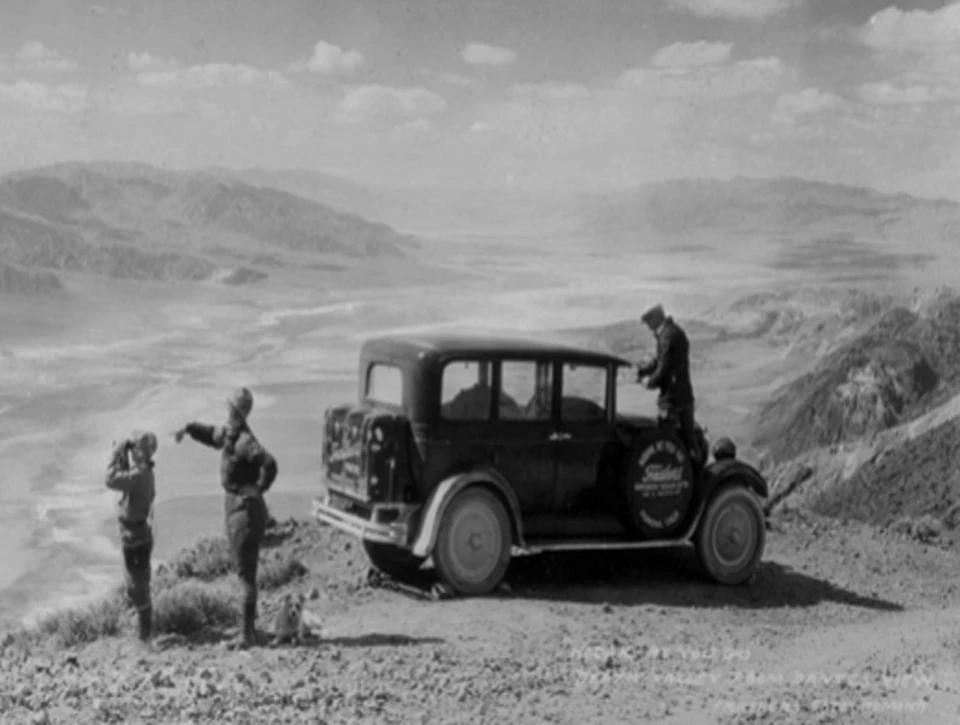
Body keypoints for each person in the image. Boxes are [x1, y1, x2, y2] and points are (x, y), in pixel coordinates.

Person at [172, 387, 277, 649]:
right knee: (242, 569)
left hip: (245, 509)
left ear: (237, 412)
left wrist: (259, 488)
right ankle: (249, 629)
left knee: (245, 573)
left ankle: (247, 635)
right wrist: (189, 429)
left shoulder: (244, 441)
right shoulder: (232, 436)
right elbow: (213, 435)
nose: (227, 412)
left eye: (230, 409)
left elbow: (269, 463)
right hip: (236, 506)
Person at [105, 430, 158, 647]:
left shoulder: (138, 476)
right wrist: (125, 456)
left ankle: (145, 638)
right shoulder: (143, 472)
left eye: (134, 447)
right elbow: (126, 479)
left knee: (138, 587)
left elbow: (110, 479)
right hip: (137, 534)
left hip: (134, 536)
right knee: (136, 584)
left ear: (141, 453)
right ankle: (144, 633)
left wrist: (116, 452)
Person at [635, 304, 700, 463]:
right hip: (684, 396)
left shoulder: (667, 336)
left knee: (666, 442)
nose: (649, 327)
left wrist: (648, 382)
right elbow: (662, 361)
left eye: (649, 322)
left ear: (656, 318)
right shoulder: (674, 332)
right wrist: (643, 369)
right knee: (689, 438)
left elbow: (664, 368)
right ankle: (695, 472)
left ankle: (670, 478)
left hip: (672, 399)